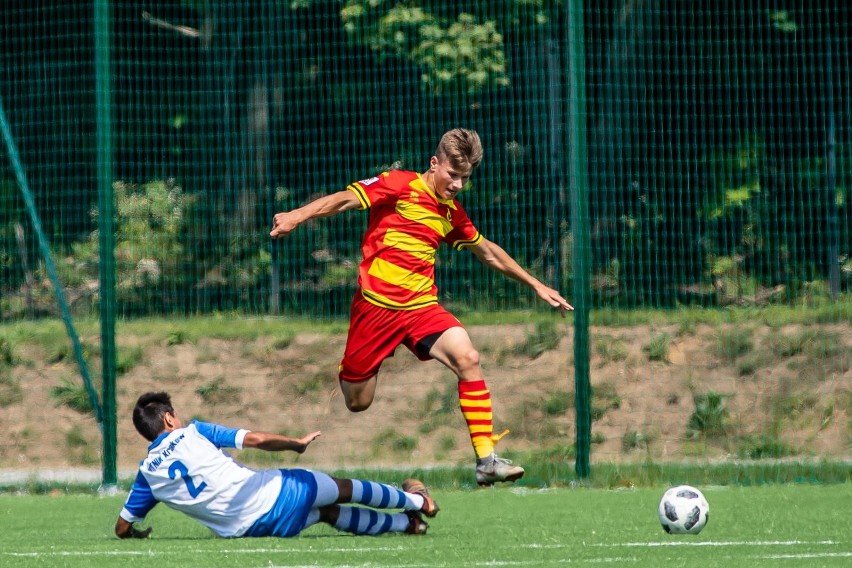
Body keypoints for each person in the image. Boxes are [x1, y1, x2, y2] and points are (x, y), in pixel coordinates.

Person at [270, 128, 573, 486]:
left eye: (465, 177)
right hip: (374, 309)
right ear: (434, 163)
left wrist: (536, 284)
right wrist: (296, 216)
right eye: (453, 174)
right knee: (358, 401)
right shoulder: (398, 185)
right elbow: (342, 200)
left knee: (468, 357)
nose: (458, 184)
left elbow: (487, 251)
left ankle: (486, 461)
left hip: (420, 308)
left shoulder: (451, 213)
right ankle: (352, 364)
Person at [115, 391, 439, 539]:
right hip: (280, 494)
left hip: (253, 530)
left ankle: (407, 525)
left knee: (325, 513)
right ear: (170, 418)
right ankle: (418, 501)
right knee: (341, 488)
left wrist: (134, 534)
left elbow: (122, 526)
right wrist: (294, 444)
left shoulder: (147, 474)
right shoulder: (193, 432)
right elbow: (253, 438)